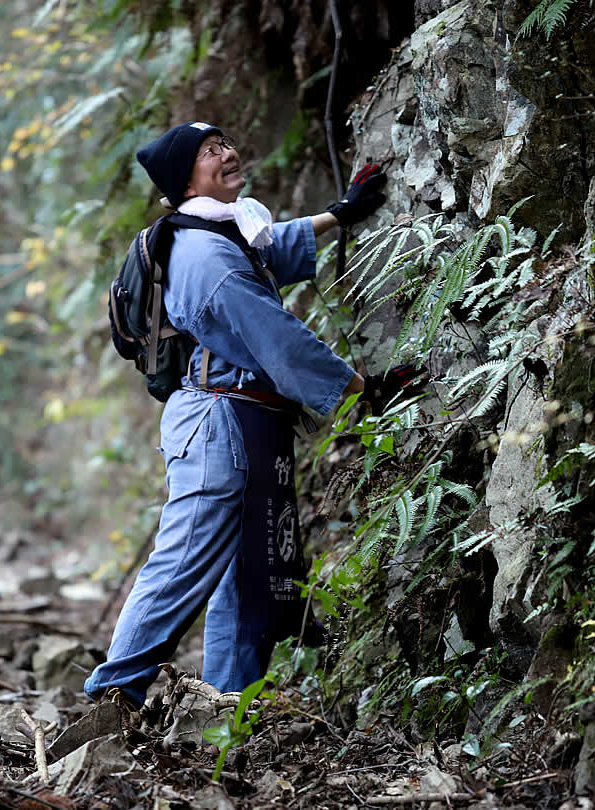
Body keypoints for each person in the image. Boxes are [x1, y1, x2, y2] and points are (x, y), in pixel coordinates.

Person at [85, 121, 402, 710]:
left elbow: (268, 250)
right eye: (209, 153)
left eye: (224, 143)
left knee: (241, 577)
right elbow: (277, 339)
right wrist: (363, 389)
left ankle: (226, 714)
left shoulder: (218, 233)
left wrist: (339, 214)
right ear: (185, 182)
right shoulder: (207, 256)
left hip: (235, 422)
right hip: (217, 428)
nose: (227, 154)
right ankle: (112, 701)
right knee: (182, 566)